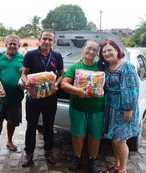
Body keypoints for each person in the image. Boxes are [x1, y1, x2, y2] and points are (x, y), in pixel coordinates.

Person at [21, 29, 64, 167]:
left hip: (50, 98)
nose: (47, 41)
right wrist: (25, 82)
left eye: (50, 39)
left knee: (49, 127)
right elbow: (24, 74)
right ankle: (29, 153)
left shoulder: (57, 56)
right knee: (31, 126)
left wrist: (57, 83)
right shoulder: (30, 55)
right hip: (33, 98)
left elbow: (62, 74)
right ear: (40, 39)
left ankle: (48, 151)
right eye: (44, 38)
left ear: (54, 41)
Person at [60, 40, 104, 173]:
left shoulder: (101, 67)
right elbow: (63, 84)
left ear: (97, 53)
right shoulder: (75, 67)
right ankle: (77, 158)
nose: (91, 51)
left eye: (94, 50)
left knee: (95, 136)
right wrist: (77, 91)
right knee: (78, 135)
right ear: (83, 49)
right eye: (88, 48)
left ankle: (92, 160)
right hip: (78, 108)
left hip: (97, 109)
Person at [99, 40, 140, 173]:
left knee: (119, 140)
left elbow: (133, 88)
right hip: (110, 107)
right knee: (113, 138)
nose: (106, 53)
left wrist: (129, 108)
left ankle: (122, 169)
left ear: (117, 50)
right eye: (104, 51)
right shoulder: (106, 67)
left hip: (123, 108)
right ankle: (116, 165)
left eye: (110, 50)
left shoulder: (126, 66)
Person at [0, 35, 24, 155]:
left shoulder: (22, 59)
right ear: (6, 45)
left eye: (15, 44)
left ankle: (9, 141)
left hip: (15, 98)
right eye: (10, 43)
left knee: (12, 122)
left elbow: (26, 75)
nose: (12, 46)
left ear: (19, 46)